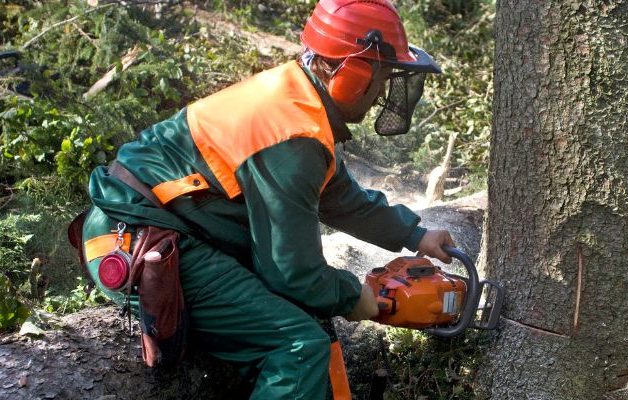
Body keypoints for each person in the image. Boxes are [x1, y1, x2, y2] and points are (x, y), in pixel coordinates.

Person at [78, 0, 454, 398]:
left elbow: (342, 199)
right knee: (298, 346)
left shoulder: (298, 106)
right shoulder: (293, 135)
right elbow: (291, 272)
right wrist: (352, 295)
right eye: (382, 76)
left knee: (303, 319)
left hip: (168, 230)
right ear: (352, 72)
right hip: (142, 241)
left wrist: (415, 234)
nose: (382, 91)